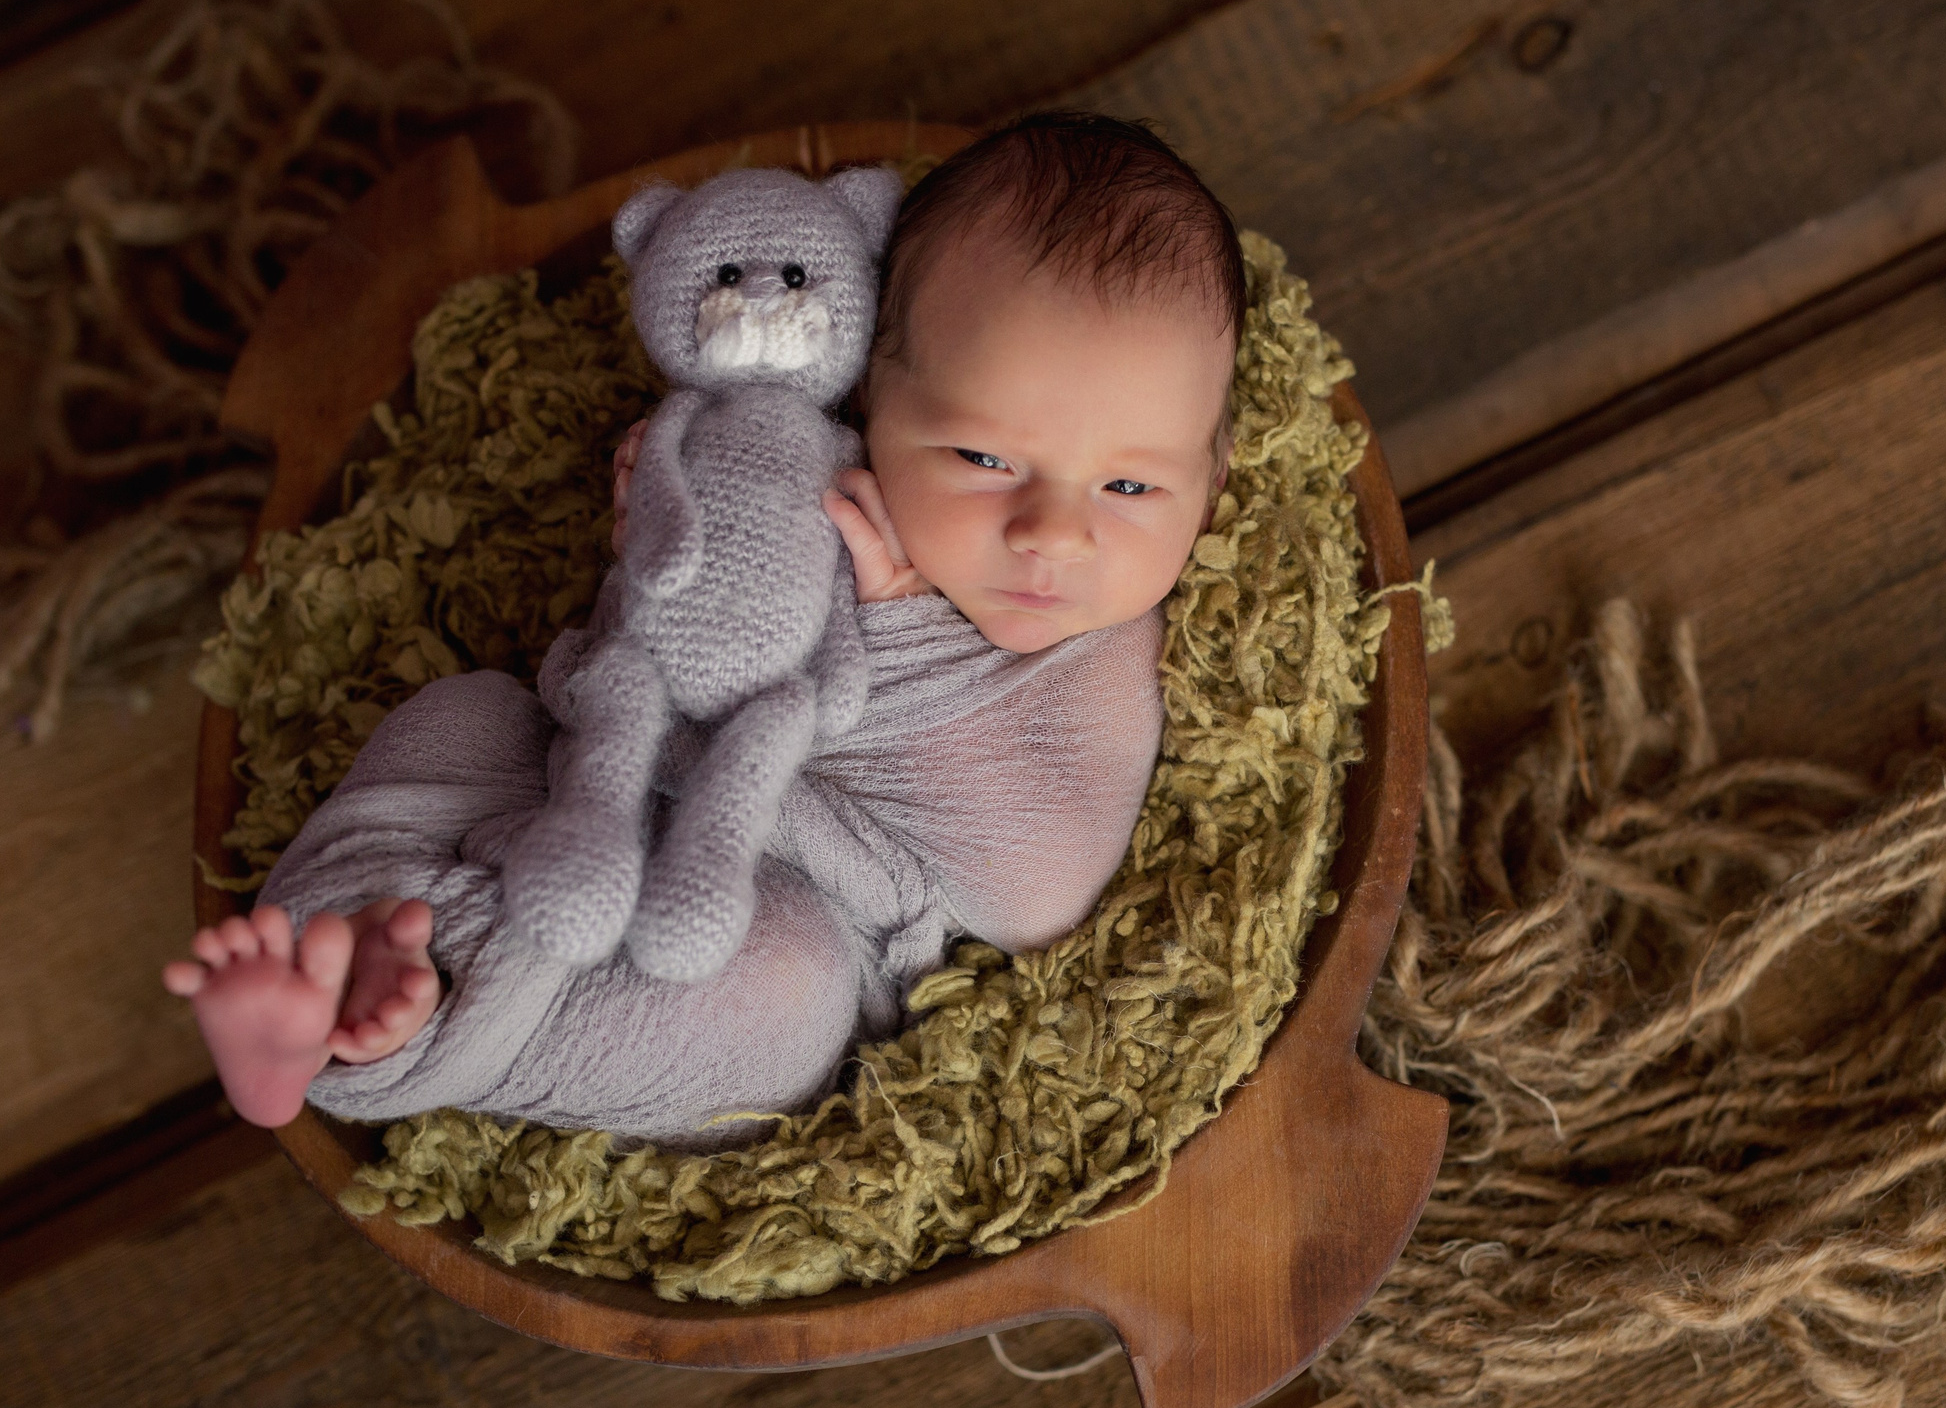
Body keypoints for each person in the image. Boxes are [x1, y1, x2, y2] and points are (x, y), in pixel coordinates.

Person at [163, 113, 1244, 1143]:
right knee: (463, 714)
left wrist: (905, 628)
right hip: (583, 771)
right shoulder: (812, 464)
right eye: (981, 460)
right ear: (873, 388)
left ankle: (411, 1026)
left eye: (1131, 487)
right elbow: (669, 629)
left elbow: (1033, 889)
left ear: (1213, 469)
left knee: (786, 1002)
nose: (1052, 534)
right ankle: (343, 927)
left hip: (804, 906)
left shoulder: (1100, 644)